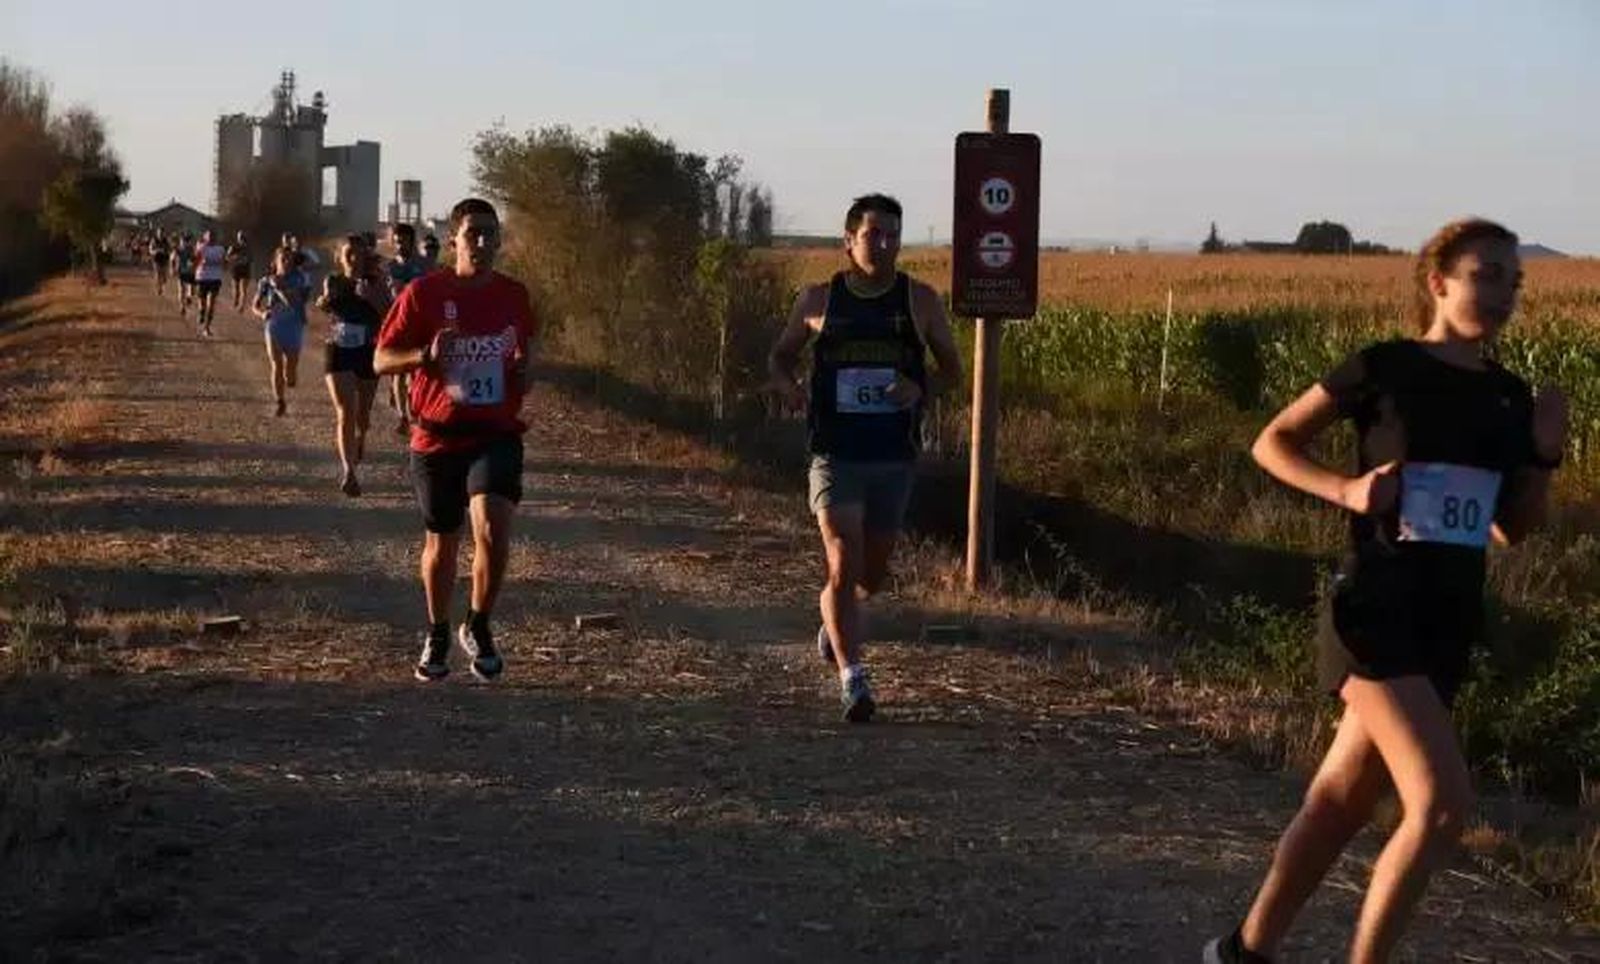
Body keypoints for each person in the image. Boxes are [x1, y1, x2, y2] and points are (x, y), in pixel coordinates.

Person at [1203, 218, 1568, 964]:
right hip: (1375, 608)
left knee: (1340, 801)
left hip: (1447, 619)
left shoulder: (1509, 396)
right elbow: (1272, 442)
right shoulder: (1384, 367)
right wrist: (1346, 489)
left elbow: (1512, 530)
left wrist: (1545, 453)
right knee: (1441, 807)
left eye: (1515, 280)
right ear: (1438, 281)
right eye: (1487, 274)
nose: (1504, 292)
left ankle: (1243, 952)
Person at [766, 193, 963, 722]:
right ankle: (854, 679)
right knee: (841, 560)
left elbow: (952, 371)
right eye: (873, 234)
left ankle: (837, 623)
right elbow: (780, 357)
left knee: (870, 576)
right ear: (848, 241)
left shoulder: (919, 301)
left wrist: (916, 387)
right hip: (835, 452)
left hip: (893, 455)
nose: (884, 244)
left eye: (893, 235)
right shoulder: (817, 300)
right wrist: (788, 388)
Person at [375, 198, 537, 683]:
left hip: (495, 433)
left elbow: (525, 349)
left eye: (491, 234)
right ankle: (438, 630)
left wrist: (525, 371)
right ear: (454, 240)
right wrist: (424, 355)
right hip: (437, 436)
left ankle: (480, 624)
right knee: (442, 544)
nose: (484, 244)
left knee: (492, 529)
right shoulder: (425, 293)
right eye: (474, 235)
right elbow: (381, 359)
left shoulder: (514, 295)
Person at [316, 235, 389, 496]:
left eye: (358, 254)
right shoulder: (334, 281)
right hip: (338, 349)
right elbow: (325, 303)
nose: (354, 259)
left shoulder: (376, 283)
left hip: (368, 351)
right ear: (340, 257)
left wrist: (371, 297)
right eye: (349, 254)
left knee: (363, 416)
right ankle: (349, 471)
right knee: (345, 410)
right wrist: (324, 303)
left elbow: (388, 315)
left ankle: (361, 437)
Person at [251, 246, 310, 416]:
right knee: (276, 365)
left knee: (290, 373)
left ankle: (289, 377)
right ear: (275, 261)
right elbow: (255, 305)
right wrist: (261, 313)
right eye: (282, 259)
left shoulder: (299, 279)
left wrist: (279, 287)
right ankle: (280, 401)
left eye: (289, 259)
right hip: (274, 325)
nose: (286, 262)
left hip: (294, 324)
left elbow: (293, 302)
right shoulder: (265, 281)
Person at [385, 222, 431, 436]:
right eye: (395, 241)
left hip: (419, 322)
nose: (399, 244)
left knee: (416, 371)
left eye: (402, 240)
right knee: (398, 372)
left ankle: (416, 409)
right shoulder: (389, 267)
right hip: (395, 323)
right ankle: (404, 416)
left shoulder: (425, 265)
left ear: (412, 241)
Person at [193, 229, 227, 337]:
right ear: (205, 237)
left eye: (213, 236)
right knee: (202, 304)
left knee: (211, 303)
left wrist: (225, 263)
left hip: (215, 278)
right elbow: (195, 261)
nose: (211, 238)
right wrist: (198, 262)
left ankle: (207, 328)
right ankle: (201, 312)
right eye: (209, 236)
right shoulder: (201, 248)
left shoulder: (220, 249)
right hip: (202, 277)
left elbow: (224, 264)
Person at [226, 230, 254, 312]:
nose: (242, 239)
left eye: (243, 237)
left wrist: (245, 259)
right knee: (236, 289)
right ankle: (236, 300)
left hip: (245, 270)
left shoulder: (248, 248)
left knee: (243, 289)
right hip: (236, 270)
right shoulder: (233, 247)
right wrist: (235, 258)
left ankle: (241, 306)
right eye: (240, 237)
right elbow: (227, 257)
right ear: (238, 238)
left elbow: (251, 259)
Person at [174, 232, 197, 316]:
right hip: (181, 271)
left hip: (190, 271)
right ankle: (182, 306)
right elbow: (173, 258)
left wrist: (193, 262)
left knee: (192, 290)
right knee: (181, 290)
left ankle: (188, 297)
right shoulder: (178, 249)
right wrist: (173, 268)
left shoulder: (192, 249)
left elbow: (195, 259)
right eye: (184, 241)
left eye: (187, 241)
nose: (185, 243)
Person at [149, 231, 171, 296]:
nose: (160, 235)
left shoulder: (166, 241)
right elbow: (150, 250)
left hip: (165, 260)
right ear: (157, 234)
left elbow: (170, 249)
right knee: (158, 275)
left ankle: (162, 284)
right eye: (159, 233)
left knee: (164, 278)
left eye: (162, 234)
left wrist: (166, 252)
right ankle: (159, 288)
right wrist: (156, 251)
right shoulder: (154, 241)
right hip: (157, 260)